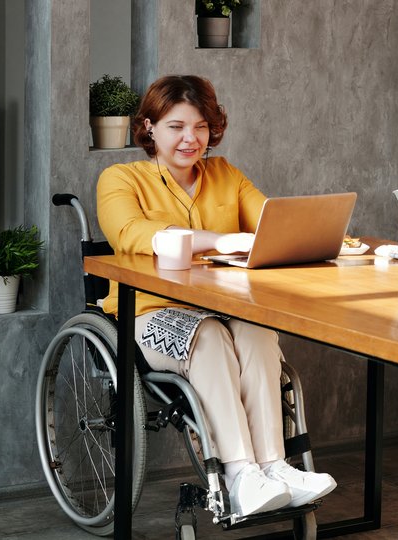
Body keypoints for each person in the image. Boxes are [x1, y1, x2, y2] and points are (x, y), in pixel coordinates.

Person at [96, 75, 336, 517]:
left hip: (226, 307)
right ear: (149, 127)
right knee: (208, 337)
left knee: (259, 332)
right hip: (150, 312)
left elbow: (271, 222)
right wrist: (219, 241)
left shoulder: (225, 174)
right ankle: (240, 474)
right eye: (176, 126)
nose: (191, 138)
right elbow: (131, 233)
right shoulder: (120, 179)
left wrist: (315, 234)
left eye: (201, 126)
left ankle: (274, 467)